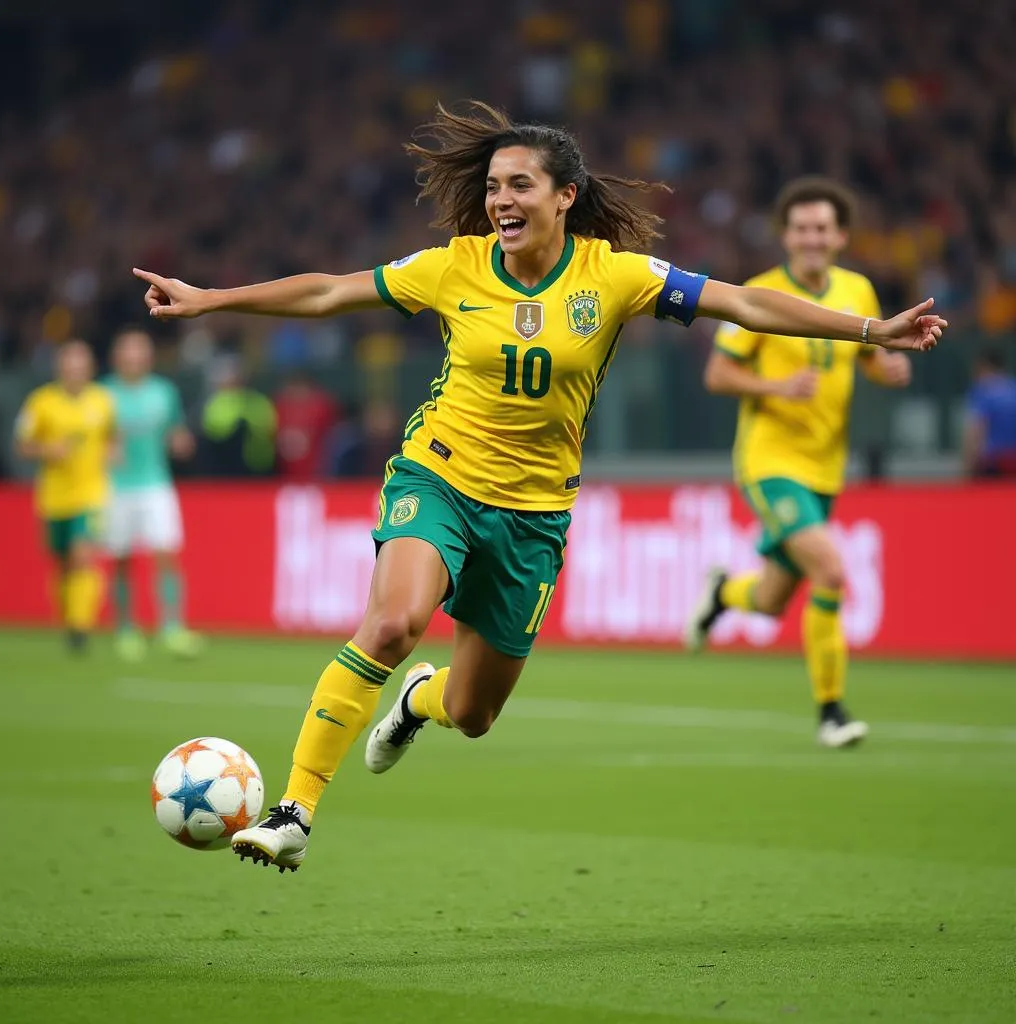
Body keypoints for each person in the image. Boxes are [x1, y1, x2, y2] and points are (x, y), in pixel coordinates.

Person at [133, 104, 944, 872]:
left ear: (566, 196)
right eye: (491, 186)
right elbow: (328, 290)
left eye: (518, 184)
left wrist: (872, 329)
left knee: (476, 714)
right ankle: (294, 813)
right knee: (392, 622)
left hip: (534, 516)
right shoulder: (452, 267)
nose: (499, 200)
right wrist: (212, 301)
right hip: (440, 474)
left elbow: (744, 302)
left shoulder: (617, 276)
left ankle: (420, 704)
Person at [684, 177, 914, 748]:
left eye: (822, 229)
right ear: (786, 236)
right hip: (770, 461)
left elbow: (868, 357)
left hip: (825, 466)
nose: (812, 238)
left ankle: (721, 595)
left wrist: (886, 369)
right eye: (801, 228)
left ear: (839, 237)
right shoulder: (757, 294)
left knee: (770, 600)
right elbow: (717, 375)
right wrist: (777, 386)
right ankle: (831, 712)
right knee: (831, 571)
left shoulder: (858, 292)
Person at [103, 328, 203, 660]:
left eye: (141, 351)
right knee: (120, 559)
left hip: (156, 484)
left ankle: (171, 628)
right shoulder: (102, 395)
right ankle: (125, 629)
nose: (136, 358)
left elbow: (175, 431)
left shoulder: (164, 392)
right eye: (129, 351)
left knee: (167, 554)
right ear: (118, 357)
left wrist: (180, 442)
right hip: (114, 487)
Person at [14, 339, 115, 651]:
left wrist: (113, 452)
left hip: (91, 494)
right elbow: (22, 444)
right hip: (54, 497)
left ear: (90, 369)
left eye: (81, 365)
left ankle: (80, 628)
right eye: (69, 364)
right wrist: (47, 449)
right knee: (61, 564)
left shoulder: (102, 401)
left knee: (83, 555)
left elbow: (113, 435)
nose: (75, 370)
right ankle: (70, 617)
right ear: (60, 368)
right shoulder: (41, 402)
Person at [962, 346, 1016, 478]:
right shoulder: (1013, 388)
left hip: (992, 463)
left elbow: (976, 429)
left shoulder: (982, 391)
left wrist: (968, 466)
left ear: (984, 366)